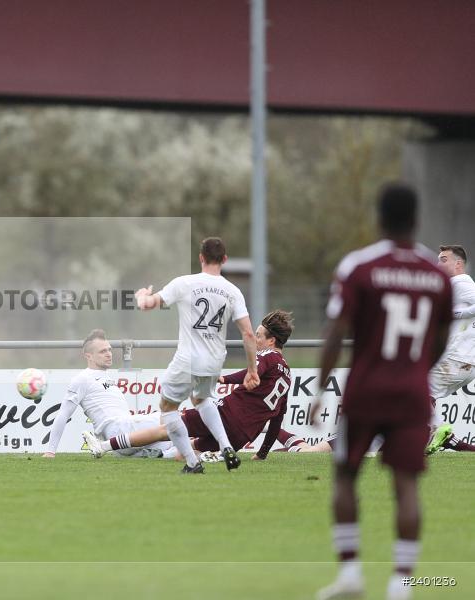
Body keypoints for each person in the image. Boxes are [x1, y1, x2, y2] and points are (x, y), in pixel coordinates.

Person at [313, 183, 453, 600]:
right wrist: (415, 370)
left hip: (366, 389)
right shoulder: (435, 275)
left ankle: (351, 572)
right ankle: (402, 583)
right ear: (417, 219)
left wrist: (321, 387)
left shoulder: (360, 266)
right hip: (411, 392)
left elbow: (336, 332)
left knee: (345, 475)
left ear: (379, 218)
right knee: (406, 484)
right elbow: (442, 339)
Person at [84, 310, 293, 464]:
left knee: (166, 430)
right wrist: (262, 453)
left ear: (272, 340)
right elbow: (277, 418)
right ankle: (168, 458)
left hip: (227, 415)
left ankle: (103, 447)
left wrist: (224, 379)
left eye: (259, 335)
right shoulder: (287, 374)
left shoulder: (267, 355)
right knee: (186, 451)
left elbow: (253, 372)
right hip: (242, 435)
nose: (255, 339)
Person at [134, 237, 259, 473]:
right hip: (214, 361)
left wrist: (142, 296)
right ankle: (225, 446)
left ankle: (193, 462)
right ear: (224, 260)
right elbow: (249, 334)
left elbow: (148, 305)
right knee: (201, 400)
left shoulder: (185, 283)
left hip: (188, 358)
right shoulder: (233, 291)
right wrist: (252, 369)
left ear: (201, 258)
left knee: (168, 408)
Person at [43, 329, 176, 459]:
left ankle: (160, 455)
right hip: (117, 430)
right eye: (103, 351)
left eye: (109, 350)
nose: (109, 354)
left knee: (181, 443)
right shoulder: (82, 379)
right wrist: (50, 451)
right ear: (88, 356)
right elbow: (63, 414)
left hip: (124, 440)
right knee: (174, 418)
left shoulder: (106, 376)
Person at [425, 244, 475, 454]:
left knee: (417, 387)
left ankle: (436, 431)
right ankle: (452, 441)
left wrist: (455, 314)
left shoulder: (460, 283)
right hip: (464, 362)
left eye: (443, 260)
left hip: (456, 359)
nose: (438, 264)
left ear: (458, 264)